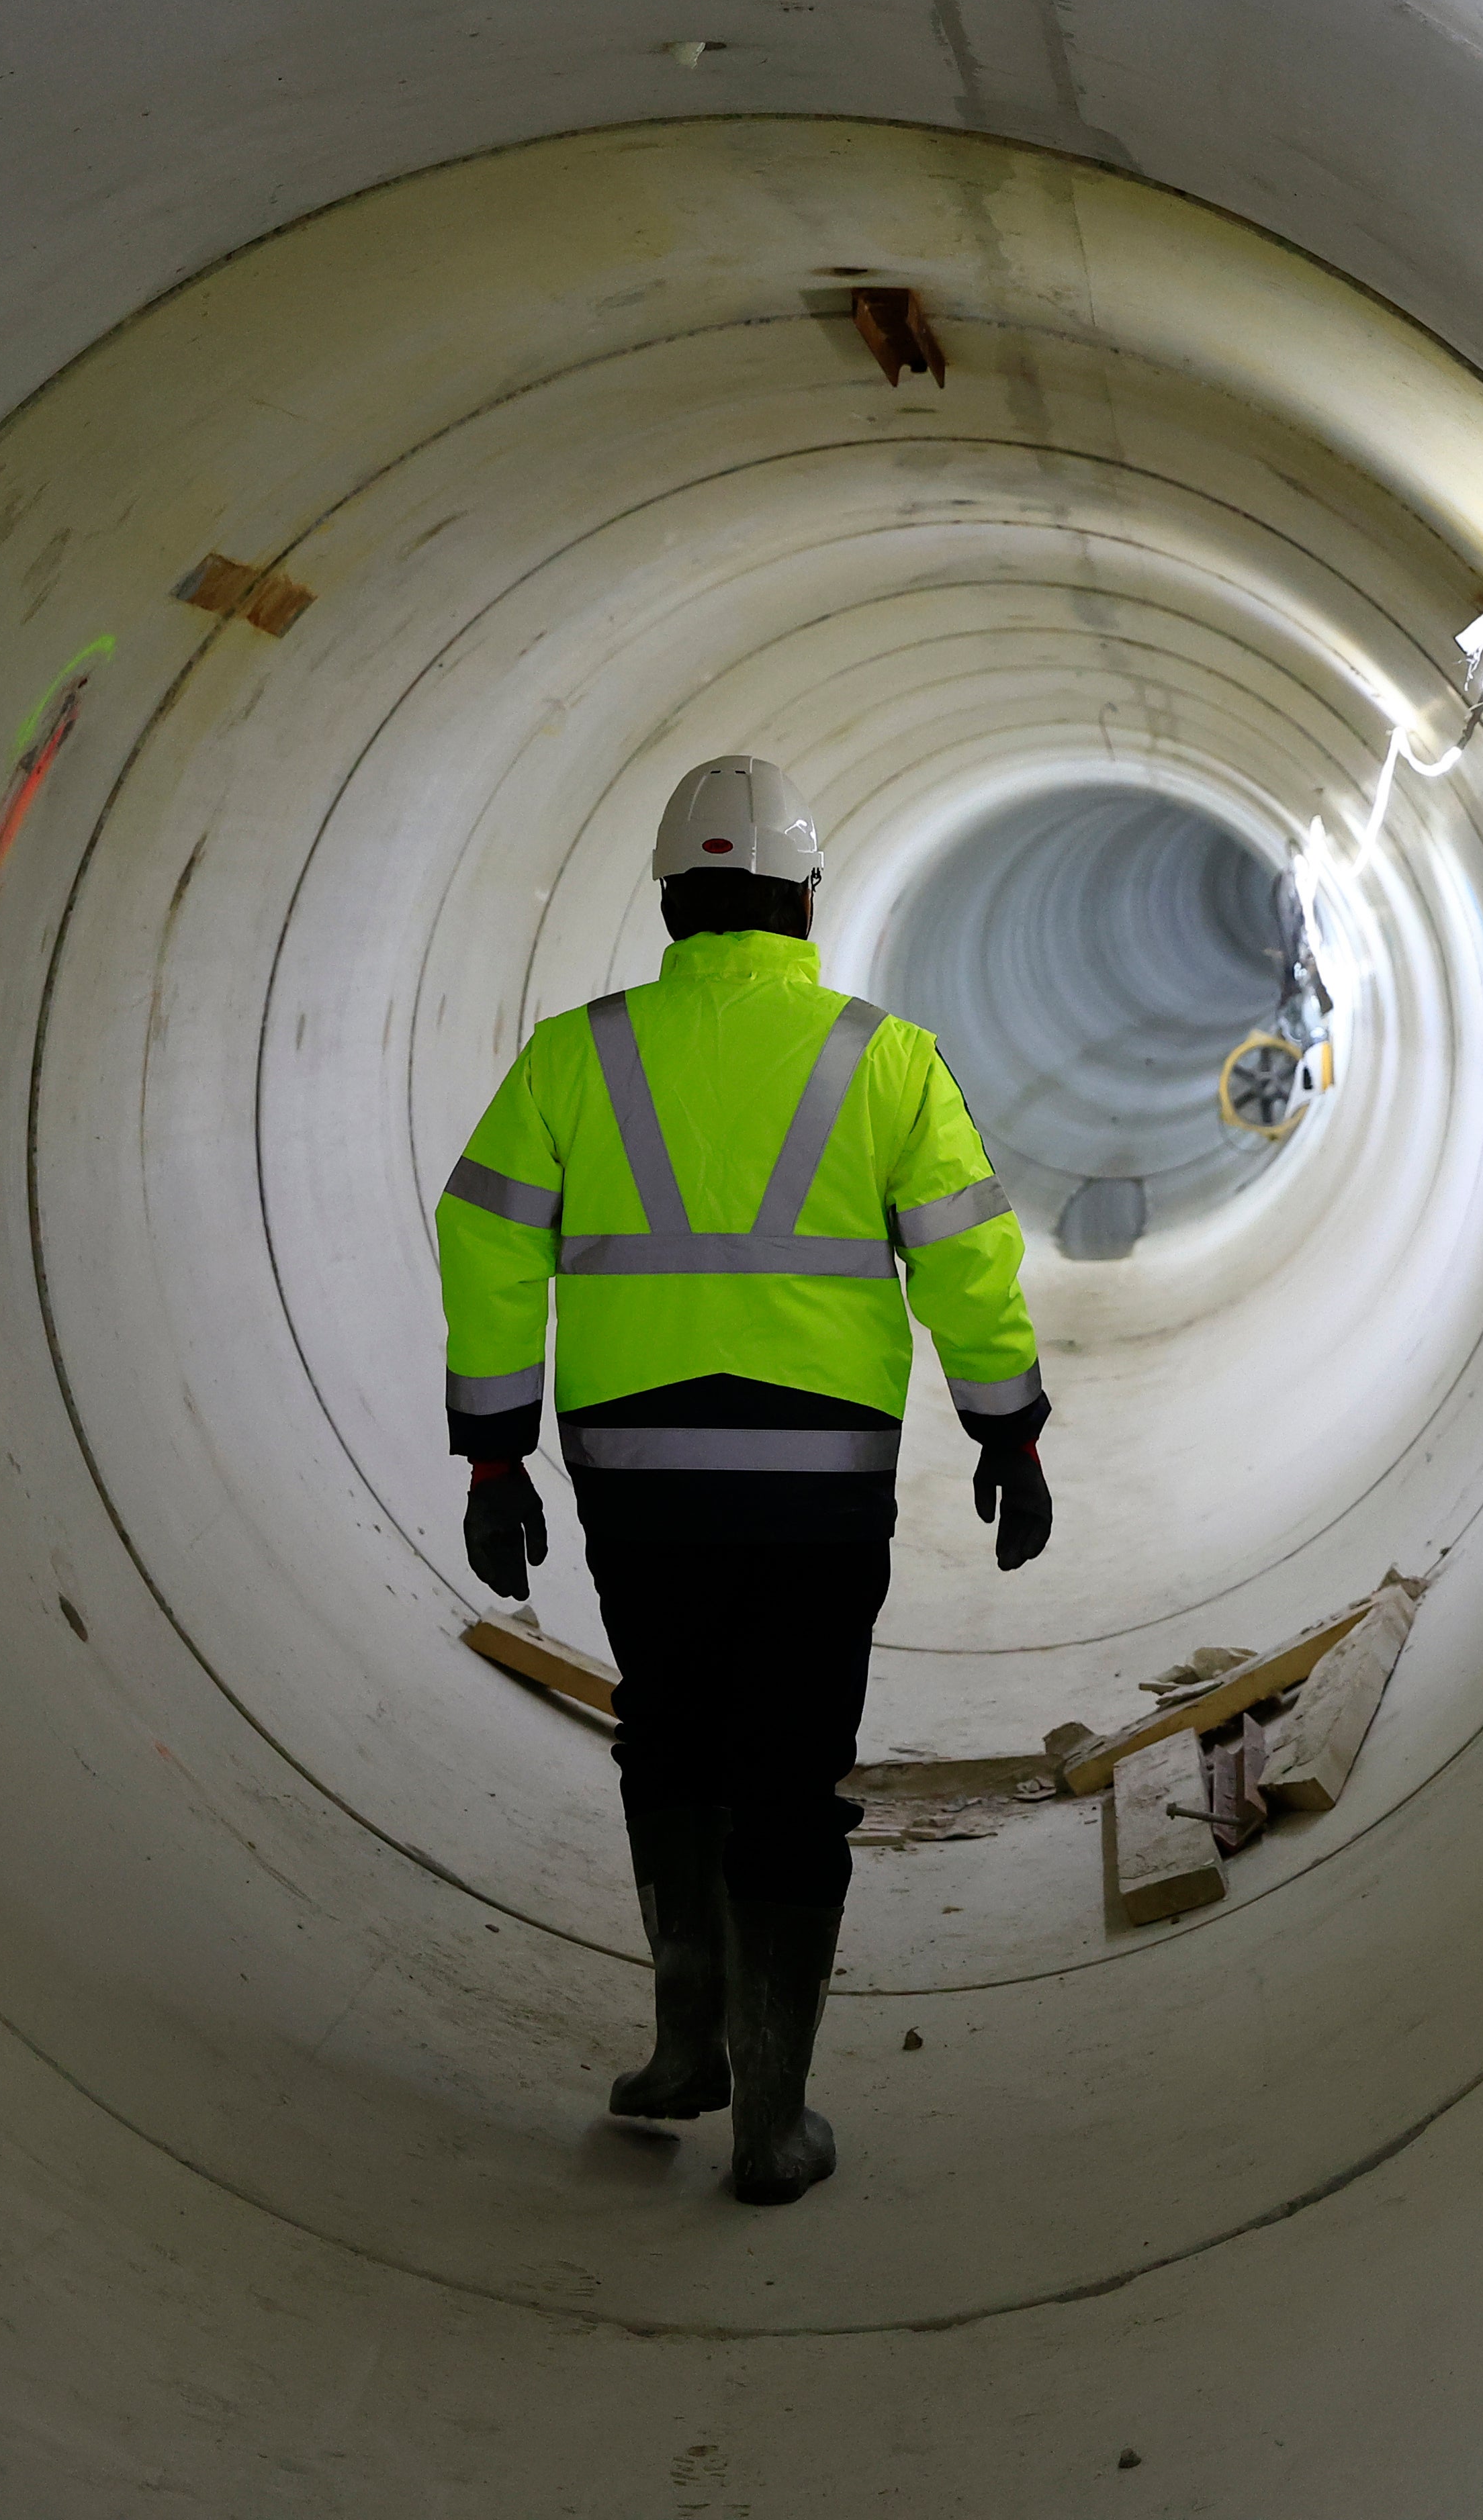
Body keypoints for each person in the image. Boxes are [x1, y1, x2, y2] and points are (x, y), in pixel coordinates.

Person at [432, 754, 1053, 2206]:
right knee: (791, 1768)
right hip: (819, 1481)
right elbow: (967, 1260)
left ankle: (682, 2048)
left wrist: (494, 1450)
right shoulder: (886, 1059)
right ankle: (773, 2118)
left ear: (670, 901)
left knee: (668, 1735)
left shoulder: (573, 1057)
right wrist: (1007, 1427)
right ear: (806, 901)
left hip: (638, 1473)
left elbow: (488, 1243)